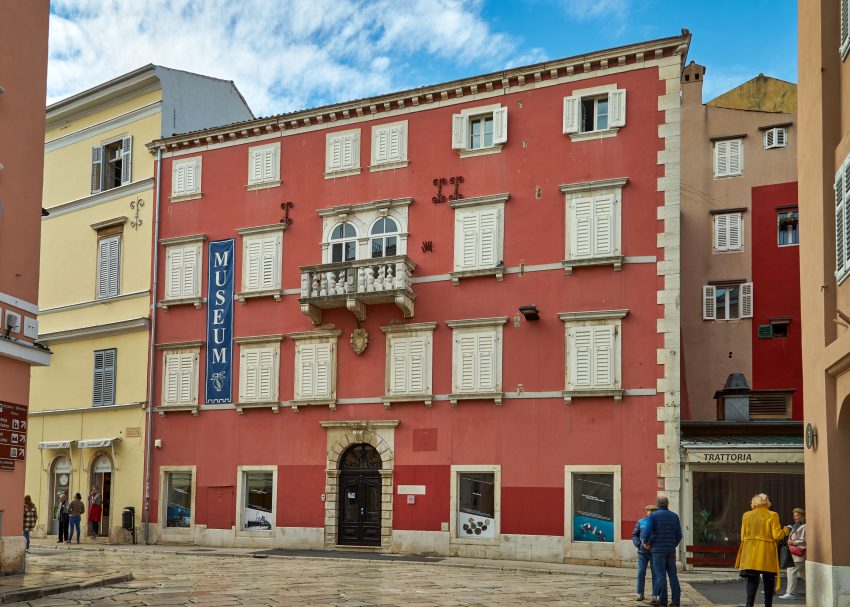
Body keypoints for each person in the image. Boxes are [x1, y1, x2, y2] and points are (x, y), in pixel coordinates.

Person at [735, 493, 789, 607]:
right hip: (766, 551)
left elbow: (742, 536)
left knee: (752, 580)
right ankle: (767, 605)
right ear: (766, 501)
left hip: (750, 551)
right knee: (768, 580)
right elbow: (777, 535)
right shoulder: (773, 515)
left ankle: (749, 605)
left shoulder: (746, 515)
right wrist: (786, 530)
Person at [640, 496, 683, 607]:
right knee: (673, 575)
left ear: (657, 504)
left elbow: (646, 532)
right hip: (670, 550)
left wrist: (646, 542)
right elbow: (679, 535)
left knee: (660, 575)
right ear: (667, 504)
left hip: (657, 550)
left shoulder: (653, 516)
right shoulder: (674, 516)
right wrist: (673, 544)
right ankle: (675, 601)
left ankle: (663, 601)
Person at [632, 504, 659, 602]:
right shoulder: (641, 521)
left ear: (655, 512)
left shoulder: (658, 523)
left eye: (653, 511)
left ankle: (655, 595)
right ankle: (640, 594)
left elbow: (659, 535)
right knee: (640, 573)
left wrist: (653, 543)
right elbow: (635, 534)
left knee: (655, 574)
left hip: (654, 552)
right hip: (642, 552)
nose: (651, 512)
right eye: (649, 511)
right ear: (646, 511)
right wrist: (638, 544)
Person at [780, 507, 806, 600]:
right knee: (804, 574)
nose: (795, 517)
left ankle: (790, 593)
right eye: (794, 515)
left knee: (791, 571)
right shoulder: (795, 526)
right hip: (794, 555)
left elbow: (804, 541)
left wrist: (793, 542)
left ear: (802, 516)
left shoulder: (803, 527)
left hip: (799, 555)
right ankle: (817, 587)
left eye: (797, 515)